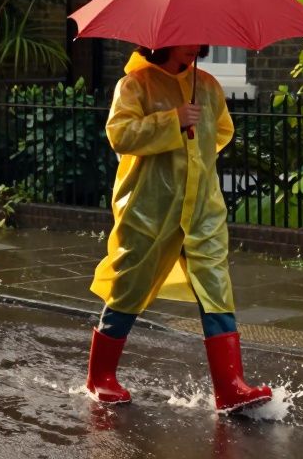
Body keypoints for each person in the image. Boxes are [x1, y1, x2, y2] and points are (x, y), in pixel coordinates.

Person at [84, 44, 273, 414]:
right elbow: (119, 135)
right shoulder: (134, 85)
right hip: (149, 208)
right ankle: (100, 376)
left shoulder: (207, 86)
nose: (197, 41)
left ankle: (230, 387)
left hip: (203, 207)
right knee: (129, 285)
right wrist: (172, 122)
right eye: (188, 35)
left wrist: (191, 156)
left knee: (215, 287)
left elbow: (220, 132)